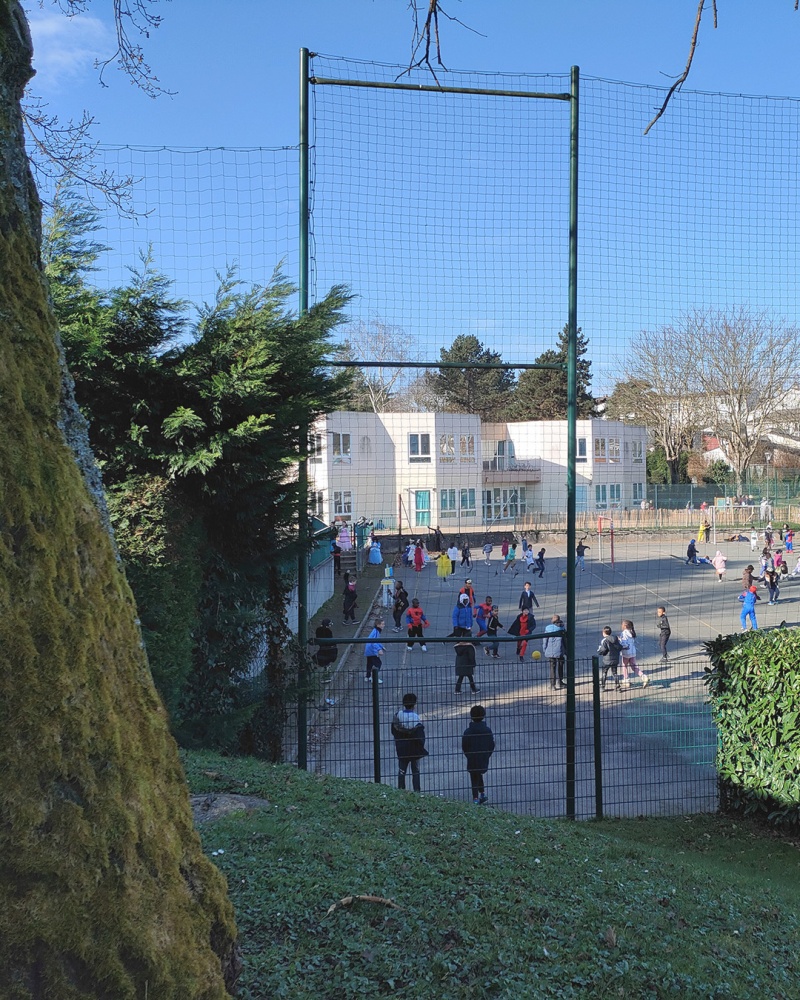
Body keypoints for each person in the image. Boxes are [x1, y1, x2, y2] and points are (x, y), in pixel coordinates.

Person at [391, 693, 428, 792]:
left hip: (402, 748)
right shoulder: (416, 717)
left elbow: (393, 731)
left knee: (402, 770)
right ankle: (417, 791)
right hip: (414, 748)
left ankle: (401, 790)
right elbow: (420, 734)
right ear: (414, 704)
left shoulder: (398, 715)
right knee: (415, 770)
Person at [462, 704, 495, 805]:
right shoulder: (487, 730)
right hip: (483, 757)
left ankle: (475, 798)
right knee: (479, 774)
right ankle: (482, 794)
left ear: (471, 717)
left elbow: (464, 746)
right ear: (483, 716)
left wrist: (468, 755)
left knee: (474, 776)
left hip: (472, 757)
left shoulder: (468, 732)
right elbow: (491, 744)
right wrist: (487, 754)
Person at [618, 620, 649, 688]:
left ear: (625, 626)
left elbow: (624, 644)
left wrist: (619, 641)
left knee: (624, 665)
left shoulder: (623, 633)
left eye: (622, 625)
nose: (621, 626)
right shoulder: (631, 632)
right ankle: (643, 676)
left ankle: (626, 679)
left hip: (626, 652)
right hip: (633, 652)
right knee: (634, 666)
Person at [543, 614, 566, 690]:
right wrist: (566, 650)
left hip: (550, 650)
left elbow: (545, 640)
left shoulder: (548, 628)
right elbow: (565, 640)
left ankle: (552, 685)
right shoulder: (562, 628)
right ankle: (560, 681)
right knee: (560, 666)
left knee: (552, 667)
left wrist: (545, 649)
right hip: (560, 650)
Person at [597, 626, 622, 692]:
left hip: (606, 660)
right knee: (615, 673)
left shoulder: (605, 640)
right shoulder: (616, 639)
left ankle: (602, 686)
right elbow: (619, 647)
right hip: (615, 659)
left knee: (604, 672)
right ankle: (618, 686)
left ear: (604, 633)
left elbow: (603, 649)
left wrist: (599, 651)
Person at [364, 617, 385, 683]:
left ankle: (367, 676)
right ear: (378, 625)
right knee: (378, 663)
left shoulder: (375, 631)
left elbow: (377, 641)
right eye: (382, 624)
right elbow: (374, 641)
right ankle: (374, 678)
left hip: (368, 649)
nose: (383, 625)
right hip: (372, 650)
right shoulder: (376, 631)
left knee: (369, 663)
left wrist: (382, 646)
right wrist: (379, 649)